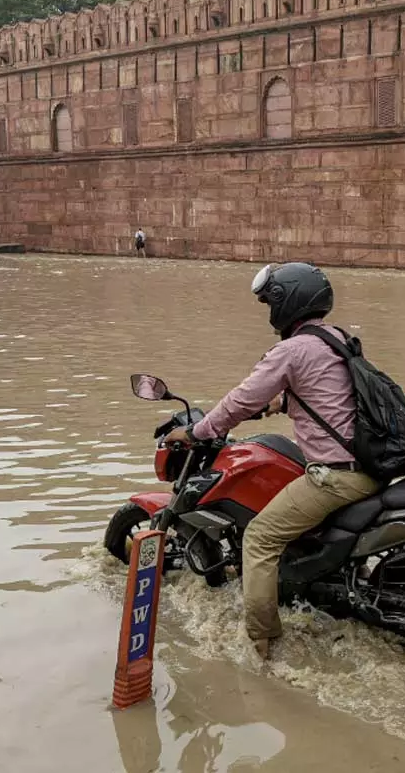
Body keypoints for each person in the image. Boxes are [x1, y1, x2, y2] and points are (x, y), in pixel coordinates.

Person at [162, 262, 378, 660]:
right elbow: (327, 396)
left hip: (337, 476)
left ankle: (262, 642)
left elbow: (241, 399)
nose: (268, 313)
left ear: (287, 301)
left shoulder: (292, 349)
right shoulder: (336, 339)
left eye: (269, 304)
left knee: (260, 539)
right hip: (370, 469)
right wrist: (279, 404)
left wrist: (196, 432)